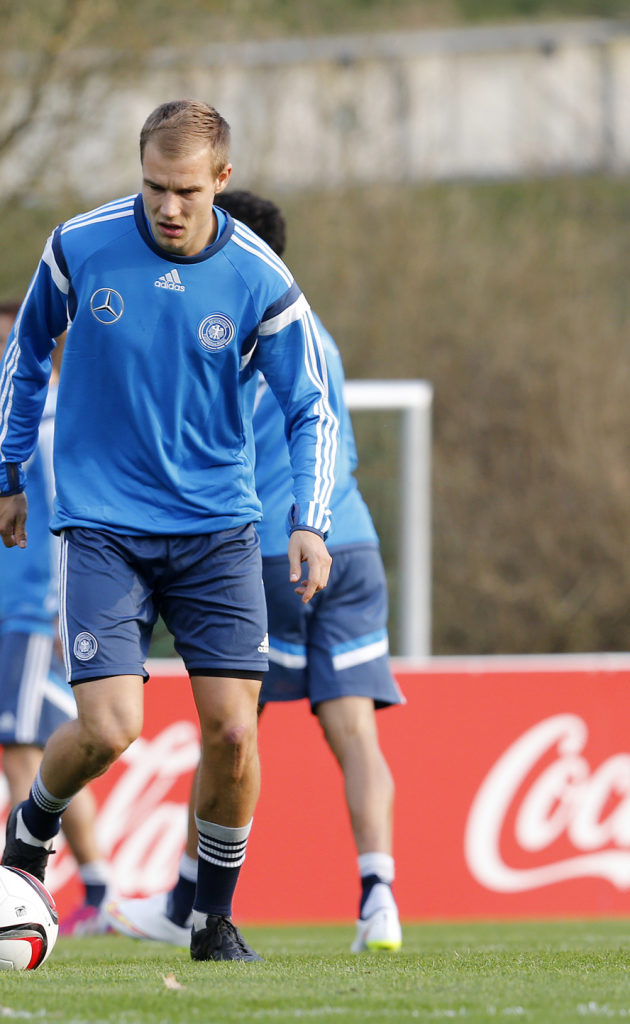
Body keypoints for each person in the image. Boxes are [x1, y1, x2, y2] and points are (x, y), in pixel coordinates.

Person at [0, 100, 338, 963]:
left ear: (221, 180)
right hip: (102, 524)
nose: (166, 207)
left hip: (216, 530)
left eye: (184, 190)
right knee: (108, 730)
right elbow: (26, 354)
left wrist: (310, 523)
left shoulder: (260, 279)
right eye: (151, 187)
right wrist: (5, 472)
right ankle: (33, 829)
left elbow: (310, 407)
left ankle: (209, 920)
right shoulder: (80, 245)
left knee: (234, 734)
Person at [105, 190, 405, 954]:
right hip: (350, 541)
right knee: (356, 737)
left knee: (227, 735)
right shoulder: (320, 339)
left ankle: (181, 902)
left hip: (266, 550)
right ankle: (379, 899)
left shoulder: (234, 330)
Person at [0, 300, 112, 935]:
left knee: (23, 755)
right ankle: (97, 892)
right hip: (23, 609)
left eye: (0, 340)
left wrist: (71, 605)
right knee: (47, 759)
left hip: (40, 616)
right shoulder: (27, 415)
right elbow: (23, 534)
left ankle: (22, 893)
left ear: (40, 345)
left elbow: (71, 519)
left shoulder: (45, 417)